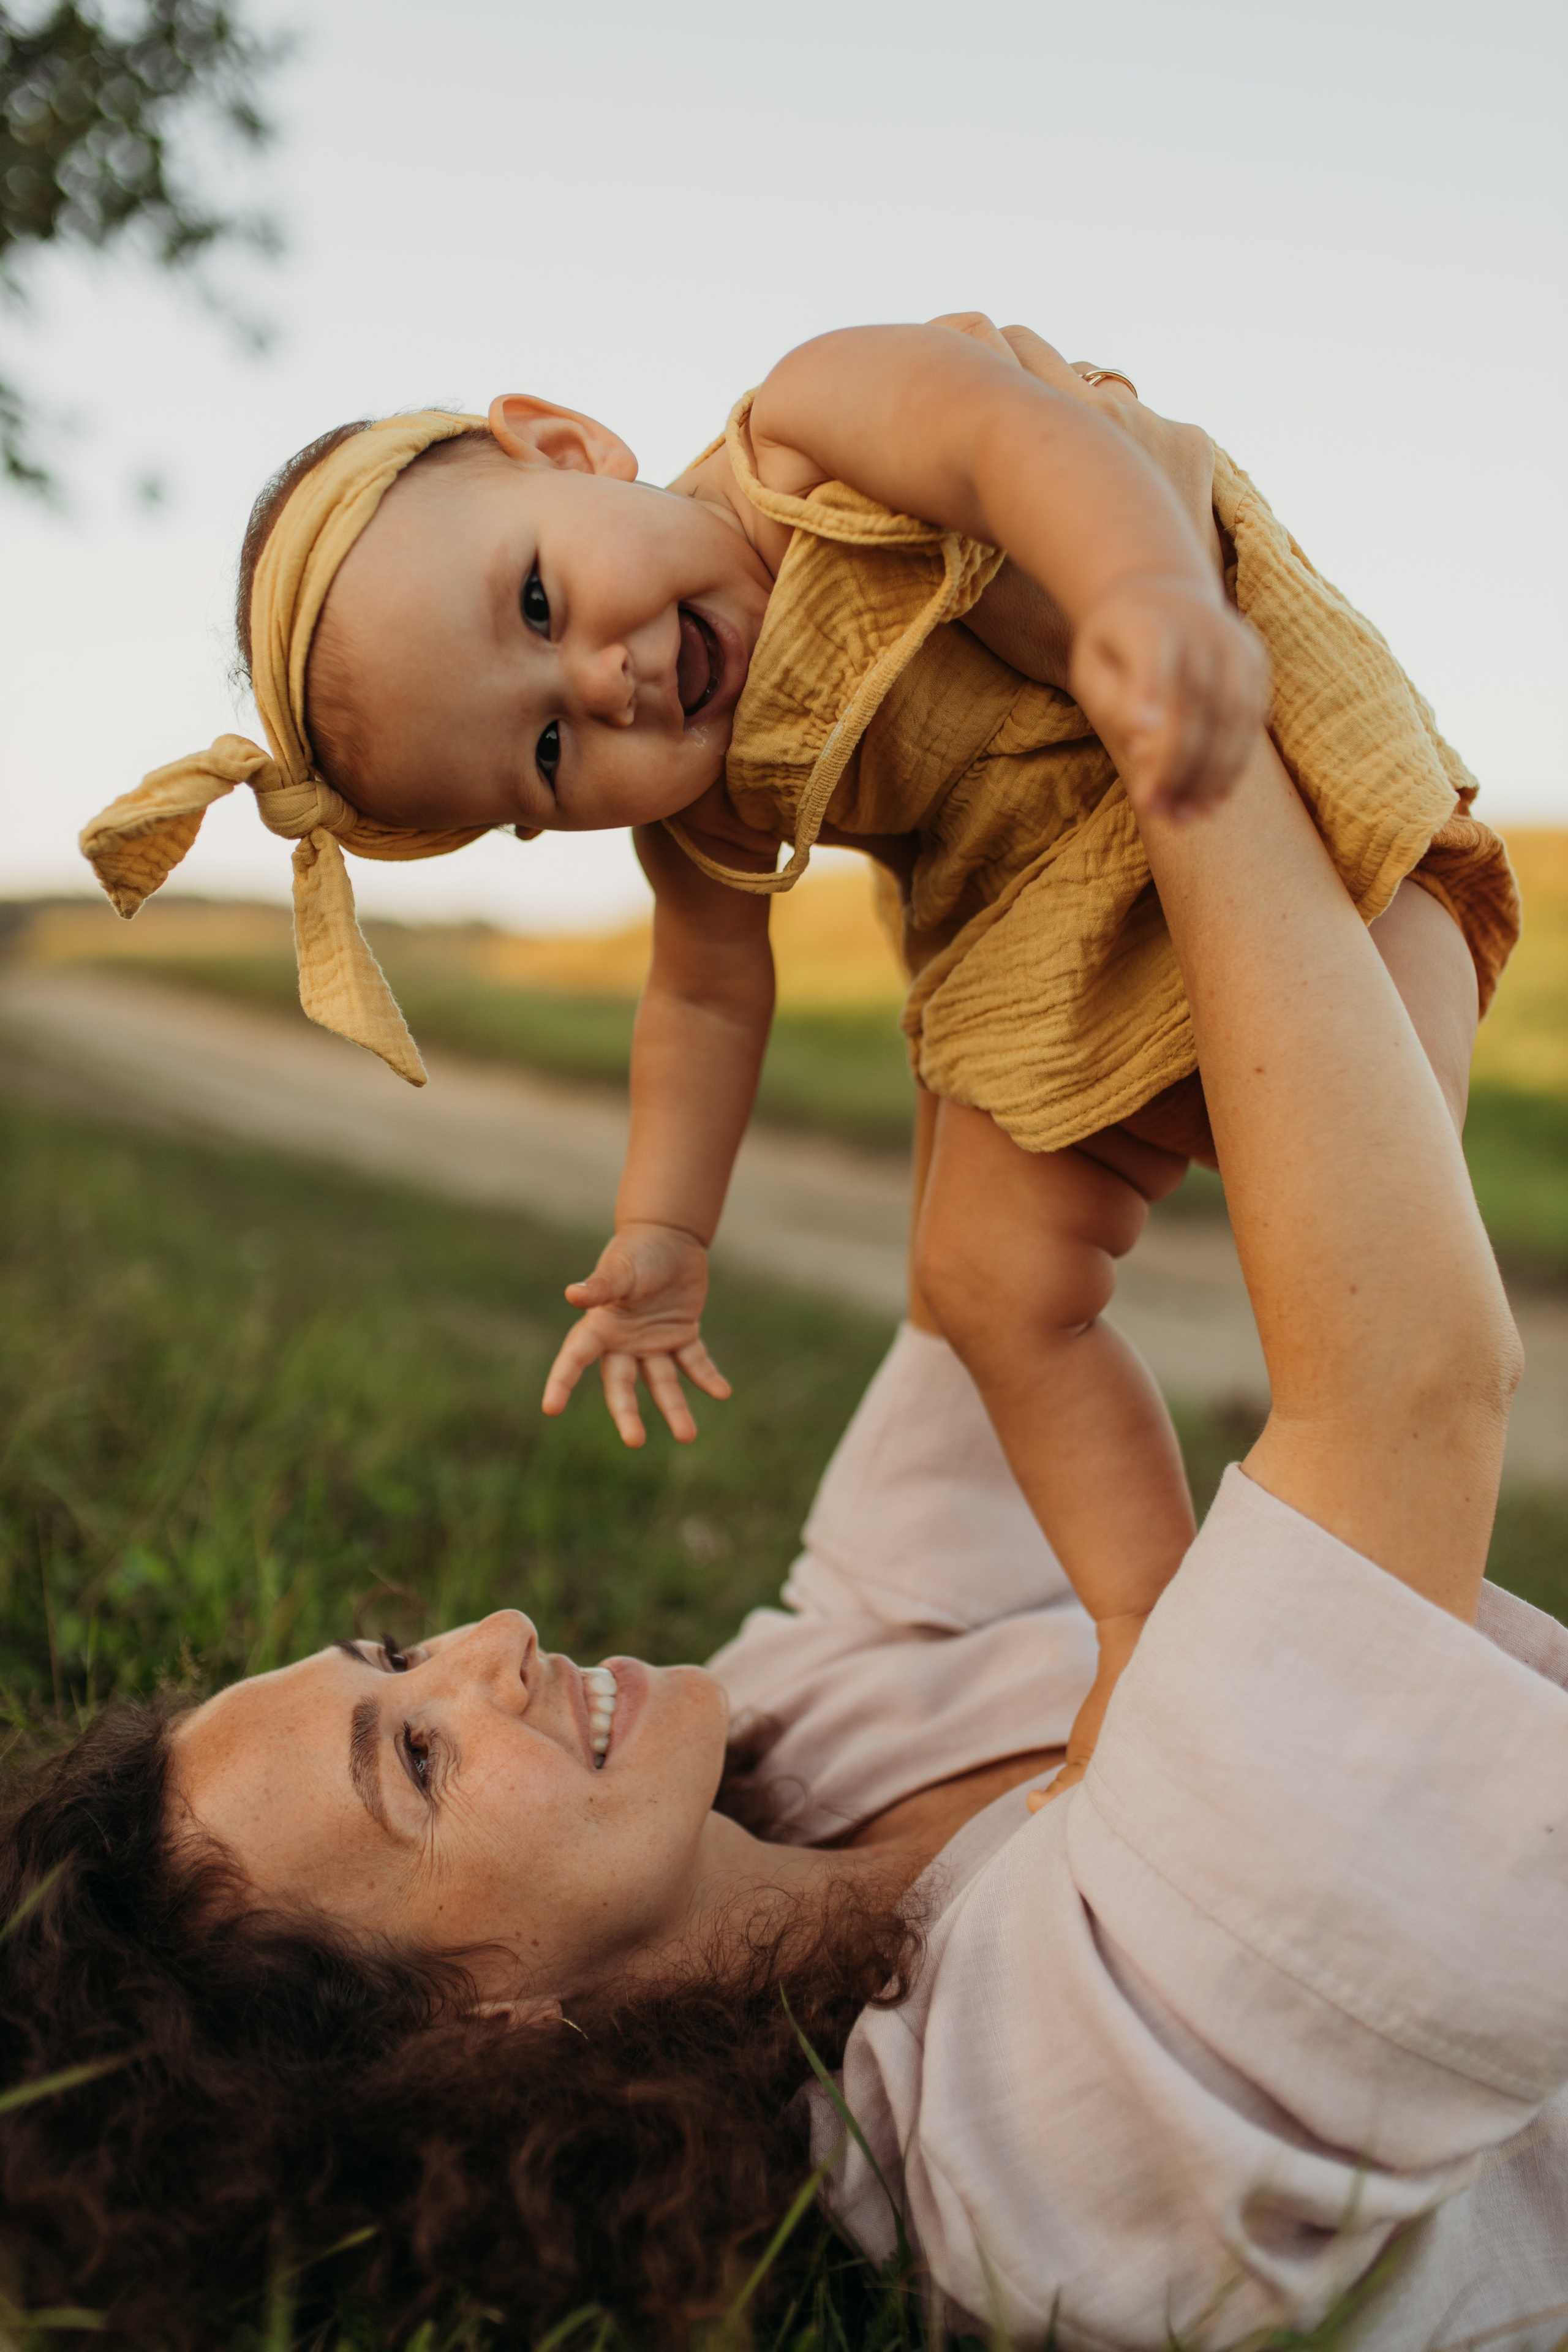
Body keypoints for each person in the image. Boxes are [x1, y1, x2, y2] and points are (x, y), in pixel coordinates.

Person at [20, 718, 1568, 2348]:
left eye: (401, 1654)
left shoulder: (803, 1723)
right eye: (419, 1758)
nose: (494, 1645)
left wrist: (912, 746)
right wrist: (1198, 735)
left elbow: (992, 1253)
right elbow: (1404, 1390)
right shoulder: (1025, 2148)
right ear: (473, 2041)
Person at [77, 322, 1520, 1781]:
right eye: (550, 752)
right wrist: (663, 1230)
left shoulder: (805, 431)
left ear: (566, 447)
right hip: (1047, 924)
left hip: (1231, 716)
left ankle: (1392, 1594)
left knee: (1369, 1211)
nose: (604, 684)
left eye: (537, 601)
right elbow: (703, 1000)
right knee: (985, 1285)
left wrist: (1136, 591)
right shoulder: (695, 811)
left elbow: (1011, 440)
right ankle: (1142, 1620)